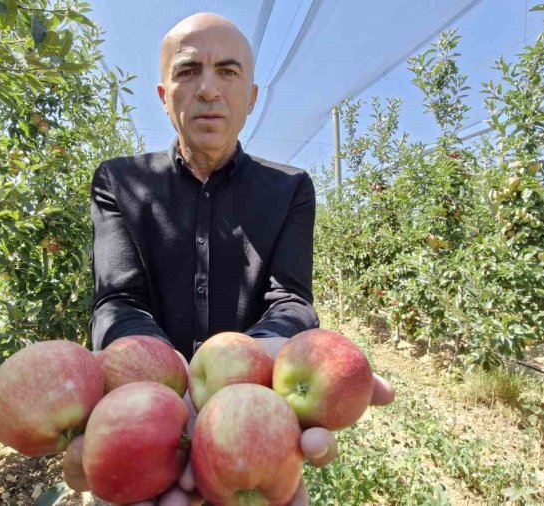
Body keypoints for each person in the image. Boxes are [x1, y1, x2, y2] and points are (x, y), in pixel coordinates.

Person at [62, 12, 395, 505]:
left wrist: (252, 362)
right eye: (188, 71)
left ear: (252, 97)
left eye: (228, 71)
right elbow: (117, 299)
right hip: (138, 429)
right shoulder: (118, 182)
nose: (209, 89)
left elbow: (291, 298)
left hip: (249, 430)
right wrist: (156, 375)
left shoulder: (291, 189)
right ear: (163, 96)